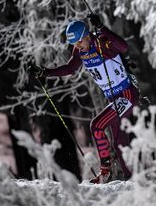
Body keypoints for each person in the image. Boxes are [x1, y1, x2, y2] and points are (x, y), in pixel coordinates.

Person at [29, 14, 138, 183]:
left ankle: (105, 172)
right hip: (114, 99)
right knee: (120, 143)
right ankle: (134, 179)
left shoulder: (101, 42)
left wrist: (102, 27)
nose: (78, 46)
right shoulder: (80, 51)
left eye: (80, 41)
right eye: (74, 43)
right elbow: (69, 68)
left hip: (127, 95)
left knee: (97, 125)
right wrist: (45, 72)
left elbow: (123, 47)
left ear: (87, 35)